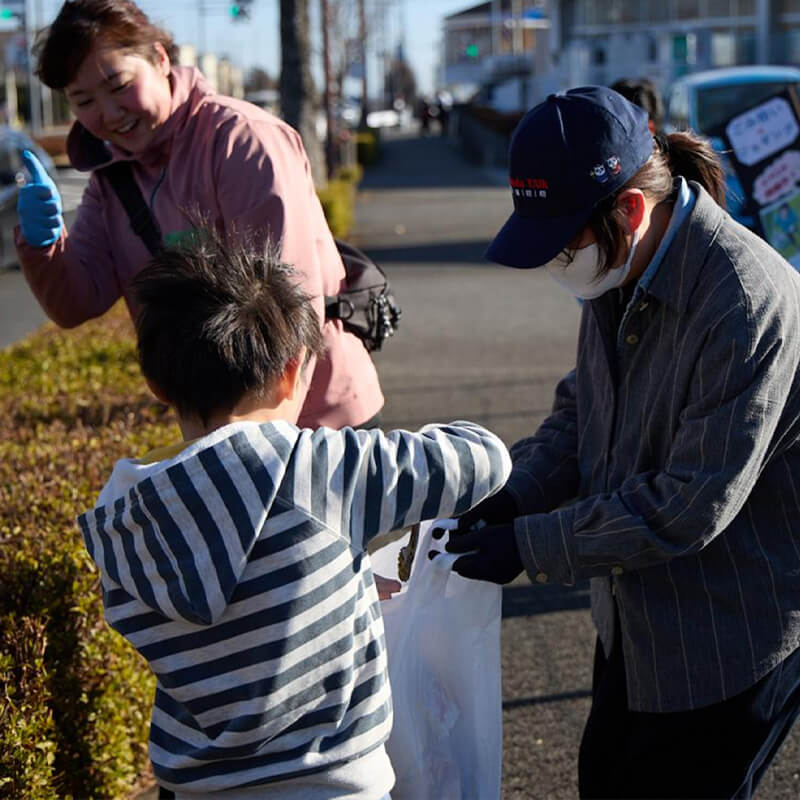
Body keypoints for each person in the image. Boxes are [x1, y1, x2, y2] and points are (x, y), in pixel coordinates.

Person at [439, 86, 800, 798]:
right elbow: (583, 407)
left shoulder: (744, 302)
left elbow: (688, 504)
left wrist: (532, 545)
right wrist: (515, 494)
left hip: (730, 632)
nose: (556, 264)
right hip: (637, 613)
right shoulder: (620, 262)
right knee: (605, 779)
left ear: (630, 210)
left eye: (560, 244)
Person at [76, 225, 512, 799]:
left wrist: (334, 579)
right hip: (334, 786)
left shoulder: (122, 513)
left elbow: (233, 587)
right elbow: (483, 459)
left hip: (199, 789)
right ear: (291, 373)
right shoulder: (317, 469)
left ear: (157, 385)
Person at [16, 0, 383, 430]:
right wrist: (43, 245)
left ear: (160, 59)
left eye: (119, 85)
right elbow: (76, 303)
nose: (110, 114)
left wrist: (266, 434)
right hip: (216, 425)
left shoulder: (241, 140)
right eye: (83, 100)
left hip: (317, 416)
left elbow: (288, 297)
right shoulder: (111, 178)